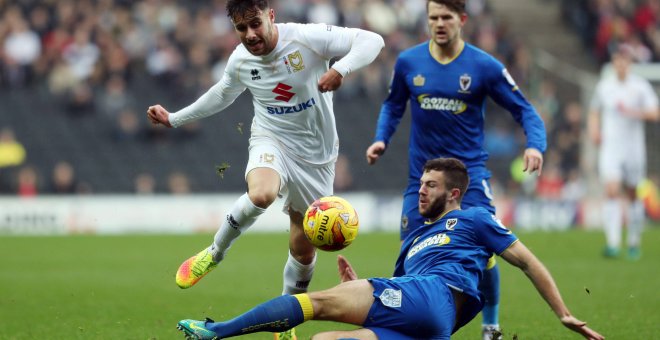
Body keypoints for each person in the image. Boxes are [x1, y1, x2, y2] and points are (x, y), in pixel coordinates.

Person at [147, 0, 384, 338]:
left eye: (255, 24)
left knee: (303, 248)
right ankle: (215, 253)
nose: (250, 34)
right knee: (262, 193)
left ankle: (284, 322)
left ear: (271, 16)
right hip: (270, 138)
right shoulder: (241, 61)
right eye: (241, 28)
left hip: (316, 157)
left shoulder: (307, 39)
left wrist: (341, 69)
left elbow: (373, 41)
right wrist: (174, 118)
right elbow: (221, 95)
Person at [175, 158, 604, 340]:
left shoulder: (474, 219)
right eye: (420, 183)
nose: (421, 191)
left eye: (431, 185)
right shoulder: (416, 240)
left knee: (317, 303)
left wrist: (563, 312)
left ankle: (218, 331)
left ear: (454, 193)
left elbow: (527, 262)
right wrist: (359, 284)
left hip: (438, 298)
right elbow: (400, 289)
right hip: (428, 323)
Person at [364, 1, 546, 338]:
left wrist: (535, 144)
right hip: (422, 179)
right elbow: (392, 105)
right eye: (433, 18)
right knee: (412, 254)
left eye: (446, 17)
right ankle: (409, 326)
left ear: (462, 20)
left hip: (469, 178)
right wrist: (381, 139)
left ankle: (490, 326)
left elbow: (524, 110)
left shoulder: (484, 66)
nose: (439, 24)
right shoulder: (408, 62)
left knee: (487, 248)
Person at [587, 46, 660, 260]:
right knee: (611, 190)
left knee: (632, 193)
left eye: (624, 60)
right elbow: (594, 110)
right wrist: (594, 130)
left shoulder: (640, 87)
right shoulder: (605, 86)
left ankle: (634, 242)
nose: (620, 64)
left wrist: (633, 112)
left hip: (633, 148)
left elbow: (655, 113)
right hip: (611, 147)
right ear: (613, 62)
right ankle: (613, 243)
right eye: (617, 60)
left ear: (630, 63)